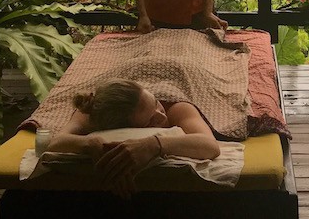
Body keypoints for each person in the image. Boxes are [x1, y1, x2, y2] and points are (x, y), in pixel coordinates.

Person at [45, 78, 220, 199]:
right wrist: (90, 143)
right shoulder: (90, 113)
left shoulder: (176, 107)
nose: (162, 116)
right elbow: (56, 142)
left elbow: (210, 145)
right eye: (150, 121)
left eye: (156, 104)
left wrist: (154, 144)